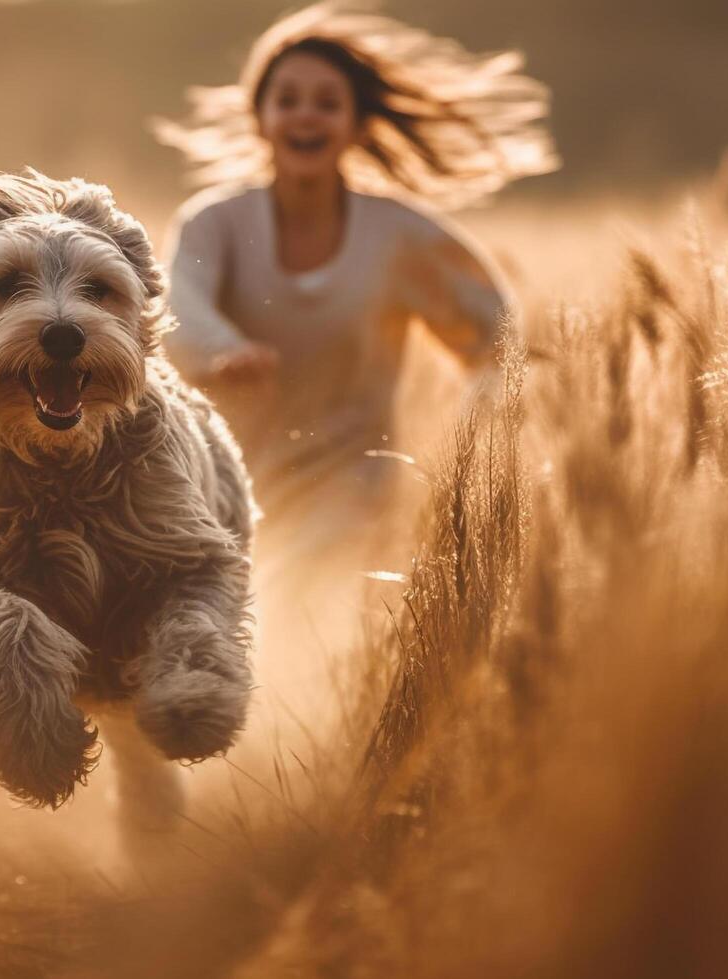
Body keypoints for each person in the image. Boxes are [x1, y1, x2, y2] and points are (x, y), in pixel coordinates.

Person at [154, 2, 557, 698]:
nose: (304, 116)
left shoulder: (398, 236)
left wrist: (488, 416)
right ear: (260, 117)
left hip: (352, 481)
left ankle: (292, 758)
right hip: (222, 482)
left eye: (325, 103)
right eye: (287, 100)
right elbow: (174, 309)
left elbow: (493, 334)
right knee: (222, 621)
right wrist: (224, 350)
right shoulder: (213, 223)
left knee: (300, 617)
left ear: (356, 124)